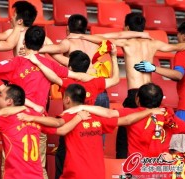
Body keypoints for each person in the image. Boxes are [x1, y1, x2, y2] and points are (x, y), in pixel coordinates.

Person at [75, 12, 185, 159]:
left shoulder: (127, 42)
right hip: (152, 95)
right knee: (150, 133)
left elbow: (102, 39)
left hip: (136, 96)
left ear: (127, 27)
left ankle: (124, 166)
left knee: (124, 138)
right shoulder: (153, 43)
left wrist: (82, 36)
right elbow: (178, 46)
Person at [17, 84, 164, 179]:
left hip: (75, 175)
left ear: (67, 99)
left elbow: (57, 125)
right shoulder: (97, 117)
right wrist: (150, 112)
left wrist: (30, 117)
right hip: (98, 174)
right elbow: (126, 121)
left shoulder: (68, 115)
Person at [0, 84, 91, 179]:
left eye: (1, 96)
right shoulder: (37, 118)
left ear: (9, 102)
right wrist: (78, 117)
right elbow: (60, 126)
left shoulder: (8, 119)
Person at [27, 47, 119, 177]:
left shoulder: (68, 82)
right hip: (88, 126)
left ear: (69, 67)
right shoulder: (95, 82)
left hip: (69, 126)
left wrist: (37, 62)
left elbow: (52, 75)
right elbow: (116, 79)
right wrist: (114, 56)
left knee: (63, 159)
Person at [134, 20, 185, 178]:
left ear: (183, 35)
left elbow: (178, 75)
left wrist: (154, 68)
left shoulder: (183, 53)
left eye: (178, 34)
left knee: (180, 160)